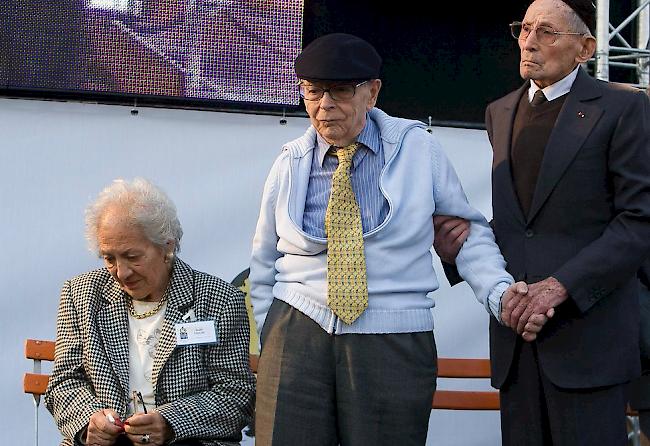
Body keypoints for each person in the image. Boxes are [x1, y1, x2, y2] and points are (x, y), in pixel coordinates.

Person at [248, 32, 531, 446]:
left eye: (340, 91)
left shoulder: (418, 148)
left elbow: (467, 233)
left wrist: (500, 295)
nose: (324, 105)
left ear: (372, 92)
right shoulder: (289, 160)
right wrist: (272, 335)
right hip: (298, 330)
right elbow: (262, 258)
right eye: (312, 91)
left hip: (394, 335)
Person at [437, 0, 650, 444]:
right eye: (524, 28)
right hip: (518, 342)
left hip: (588, 342)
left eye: (547, 32)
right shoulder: (500, 111)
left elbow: (638, 222)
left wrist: (559, 286)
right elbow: (523, 222)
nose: (528, 42)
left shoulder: (623, 109)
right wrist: (459, 249)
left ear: (585, 48)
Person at [45, 178, 255, 446]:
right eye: (109, 258)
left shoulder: (219, 299)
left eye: (132, 257)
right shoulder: (80, 294)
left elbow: (236, 395)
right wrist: (90, 422)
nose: (121, 273)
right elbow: (64, 383)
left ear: (166, 247)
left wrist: (171, 423)